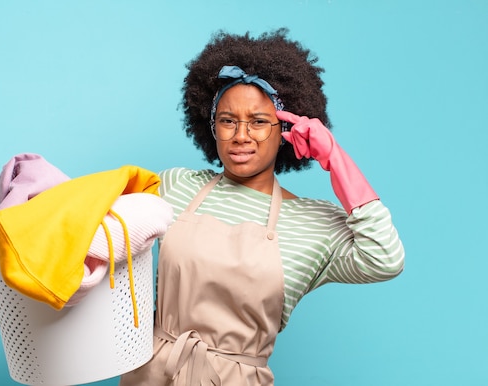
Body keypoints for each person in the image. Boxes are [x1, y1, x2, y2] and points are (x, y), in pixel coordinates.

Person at [119, 28, 404, 386]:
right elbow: (103, 236)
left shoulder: (315, 223)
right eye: (228, 120)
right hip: (150, 372)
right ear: (211, 126)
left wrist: (334, 158)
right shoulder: (177, 185)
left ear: (286, 128)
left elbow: (385, 258)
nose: (241, 135)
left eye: (258, 122)